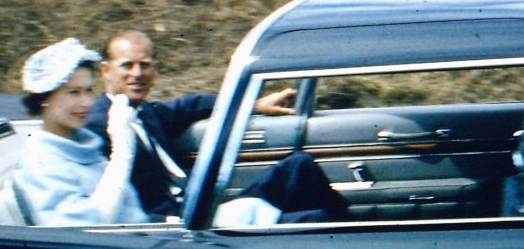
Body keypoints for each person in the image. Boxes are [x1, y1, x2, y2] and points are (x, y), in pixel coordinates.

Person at [85, 30, 348, 224]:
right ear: (106, 70)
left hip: (201, 207)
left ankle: (351, 230)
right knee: (315, 219)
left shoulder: (146, 112)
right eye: (127, 66)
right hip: (177, 226)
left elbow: (190, 105)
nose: (138, 73)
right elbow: (112, 206)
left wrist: (252, 104)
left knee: (299, 166)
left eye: (144, 65)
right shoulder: (98, 127)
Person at [8, 38, 151, 226]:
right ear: (44, 98)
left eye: (89, 91)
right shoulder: (41, 163)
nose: (87, 102)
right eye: (73, 92)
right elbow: (87, 230)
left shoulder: (82, 145)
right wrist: (123, 153)